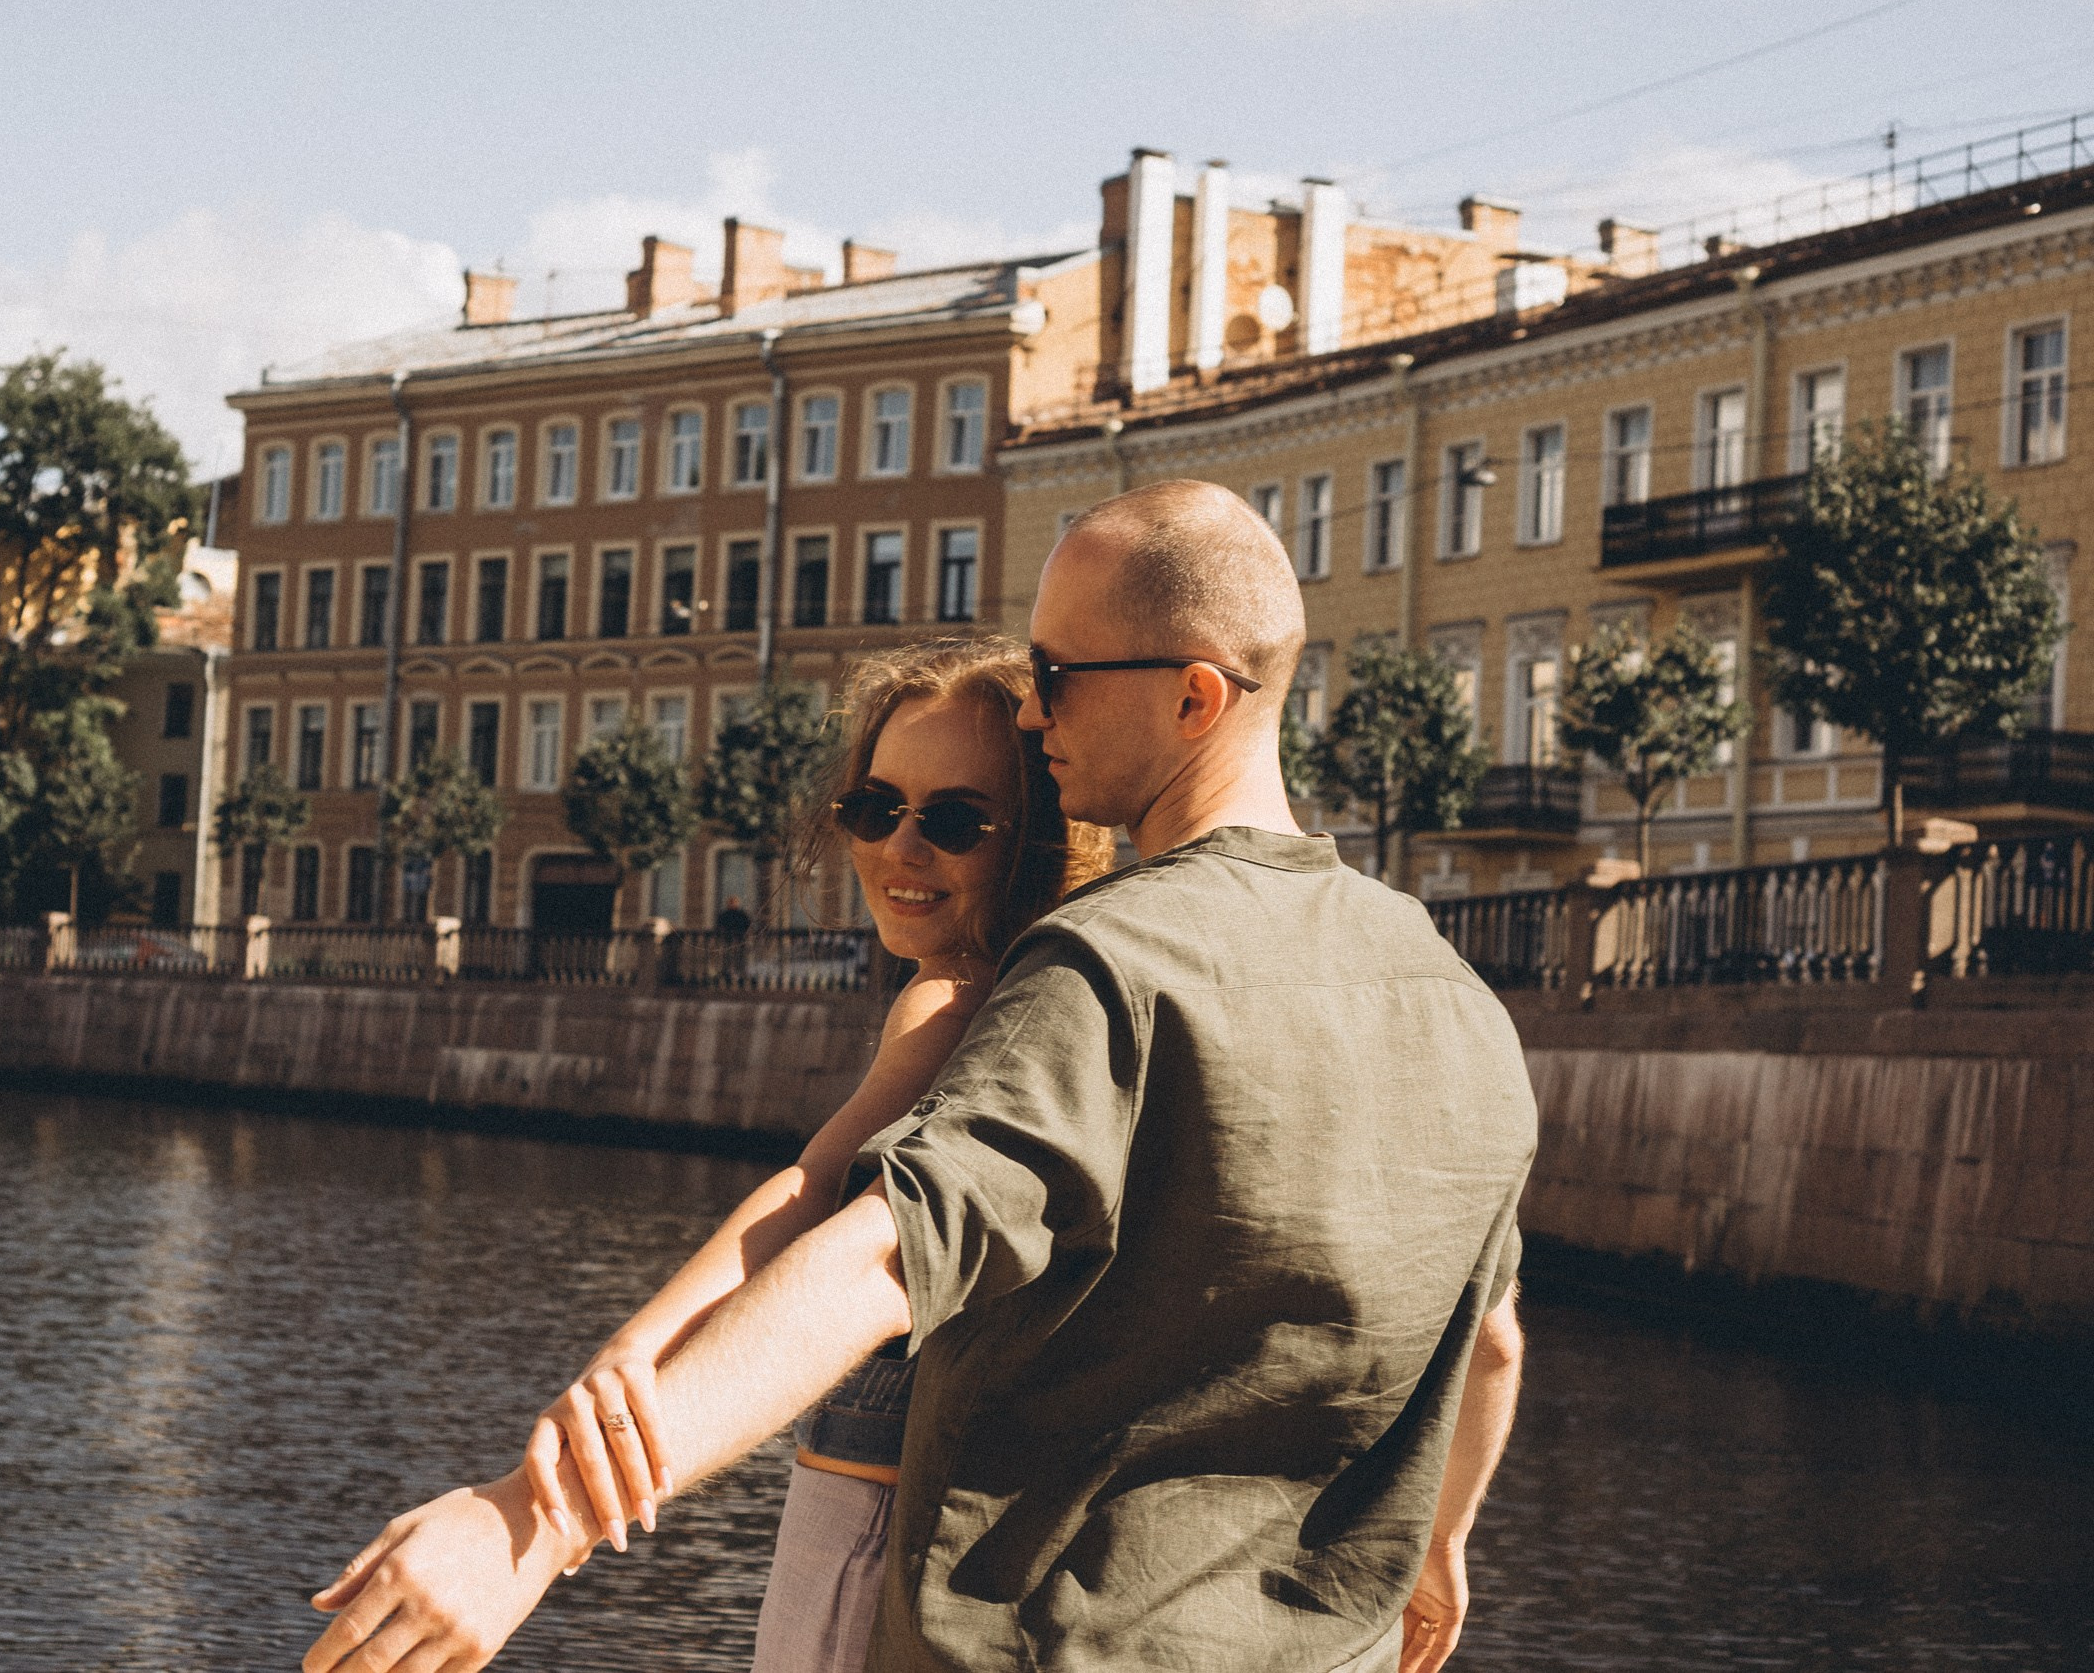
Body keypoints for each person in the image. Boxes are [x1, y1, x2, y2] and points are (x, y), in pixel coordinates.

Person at [304, 479, 1539, 1673]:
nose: (1035, 713)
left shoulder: (1113, 960)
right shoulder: (1453, 998)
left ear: (1193, 697)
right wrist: (1441, 1543)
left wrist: (534, 1524)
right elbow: (1487, 1343)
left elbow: (879, 1257)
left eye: (1058, 674)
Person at [515, 639, 1113, 1673]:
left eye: (955, 822)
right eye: (874, 808)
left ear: (1040, 840)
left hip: (871, 1515)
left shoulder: (954, 995)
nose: (899, 848)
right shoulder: (1073, 998)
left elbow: (811, 1191)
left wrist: (628, 1360)